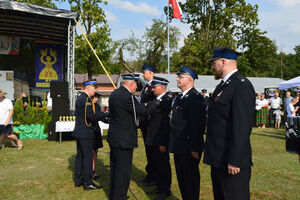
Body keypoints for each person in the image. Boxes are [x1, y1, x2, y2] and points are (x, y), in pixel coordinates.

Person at [204, 47, 255, 200]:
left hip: (231, 161)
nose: (212, 67)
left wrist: (235, 159)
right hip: (218, 157)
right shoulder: (222, 86)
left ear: (223, 61)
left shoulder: (241, 85)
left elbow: (242, 127)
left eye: (214, 63)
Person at [107, 73, 158, 200]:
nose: (136, 87)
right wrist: (157, 102)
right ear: (131, 84)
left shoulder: (115, 94)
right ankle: (120, 196)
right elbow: (143, 111)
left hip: (114, 137)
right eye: (136, 84)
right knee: (123, 170)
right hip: (124, 138)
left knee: (114, 167)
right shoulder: (127, 97)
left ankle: (114, 194)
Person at [168, 66, 206, 200]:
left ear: (190, 80)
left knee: (190, 180)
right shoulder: (179, 98)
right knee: (182, 179)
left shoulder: (196, 98)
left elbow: (197, 125)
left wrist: (194, 147)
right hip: (178, 144)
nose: (177, 79)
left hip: (189, 146)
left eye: (181, 77)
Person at [72, 79, 106, 190]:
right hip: (86, 132)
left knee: (80, 156)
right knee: (87, 158)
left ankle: (78, 180)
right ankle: (87, 182)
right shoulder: (86, 99)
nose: (95, 91)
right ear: (89, 87)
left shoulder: (80, 98)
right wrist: (105, 114)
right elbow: (91, 117)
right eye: (95, 88)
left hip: (80, 131)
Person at [145, 77, 172, 200]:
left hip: (160, 139)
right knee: (156, 163)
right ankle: (159, 185)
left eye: (154, 87)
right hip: (152, 137)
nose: (152, 89)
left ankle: (165, 189)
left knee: (163, 165)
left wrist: (163, 142)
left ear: (162, 87)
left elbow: (165, 124)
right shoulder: (155, 99)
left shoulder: (167, 101)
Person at [139, 63, 157, 186]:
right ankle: (150, 173)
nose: (142, 74)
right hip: (145, 122)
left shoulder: (154, 87)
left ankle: (153, 176)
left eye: (144, 72)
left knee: (152, 151)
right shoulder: (146, 87)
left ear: (150, 73)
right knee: (148, 150)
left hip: (151, 122)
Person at [91, 92, 108, 180]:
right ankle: (88, 171)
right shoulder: (87, 106)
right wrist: (104, 114)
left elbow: (101, 117)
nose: (96, 99)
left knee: (95, 151)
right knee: (89, 152)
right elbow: (94, 116)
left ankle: (93, 170)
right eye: (95, 97)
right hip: (89, 131)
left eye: (97, 97)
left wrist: (109, 119)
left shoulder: (97, 106)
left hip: (96, 130)